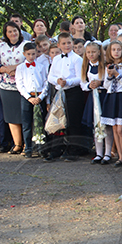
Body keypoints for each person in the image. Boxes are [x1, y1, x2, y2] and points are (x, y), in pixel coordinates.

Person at [47, 32, 86, 161]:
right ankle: (56, 149)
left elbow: (80, 78)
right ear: (59, 45)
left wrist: (67, 82)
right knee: (58, 121)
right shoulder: (57, 59)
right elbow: (50, 76)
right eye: (63, 43)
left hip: (73, 92)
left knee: (73, 121)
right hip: (59, 92)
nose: (67, 45)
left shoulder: (77, 59)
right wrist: (57, 81)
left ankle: (73, 149)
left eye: (69, 43)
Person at [0, 21, 31, 154]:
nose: (13, 33)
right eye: (9, 31)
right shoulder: (0, 46)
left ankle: (27, 144)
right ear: (5, 33)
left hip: (23, 85)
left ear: (19, 31)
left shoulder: (26, 45)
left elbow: (31, 60)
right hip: (5, 85)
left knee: (24, 115)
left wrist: (15, 68)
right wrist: (4, 69)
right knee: (11, 115)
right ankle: (17, 144)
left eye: (15, 30)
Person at [101, 40, 122, 167]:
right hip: (111, 97)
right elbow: (106, 85)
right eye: (113, 50)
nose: (116, 52)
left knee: (121, 129)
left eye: (118, 49)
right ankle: (120, 157)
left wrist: (117, 74)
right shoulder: (108, 66)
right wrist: (109, 75)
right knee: (114, 128)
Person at [15, 43, 48, 158]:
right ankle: (28, 147)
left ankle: (41, 147)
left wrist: (41, 97)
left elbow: (45, 83)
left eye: (33, 54)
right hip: (27, 97)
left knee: (40, 122)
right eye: (28, 54)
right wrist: (29, 97)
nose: (31, 56)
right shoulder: (20, 68)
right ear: (24, 54)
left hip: (39, 97)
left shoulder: (41, 67)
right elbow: (19, 84)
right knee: (27, 123)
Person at [80, 42, 108, 164]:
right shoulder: (86, 66)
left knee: (106, 125)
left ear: (98, 52)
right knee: (95, 125)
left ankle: (107, 153)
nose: (91, 54)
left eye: (93, 52)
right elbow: (82, 83)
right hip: (93, 97)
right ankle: (98, 153)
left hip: (103, 97)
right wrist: (89, 85)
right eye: (88, 52)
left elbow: (107, 82)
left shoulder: (105, 65)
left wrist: (100, 83)